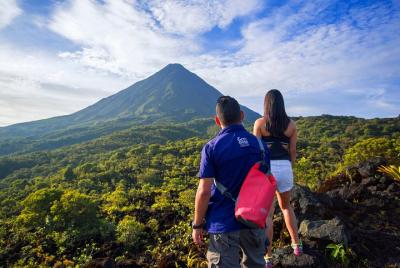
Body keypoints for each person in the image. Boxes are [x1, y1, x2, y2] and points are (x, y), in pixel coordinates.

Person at [192, 96, 269, 268]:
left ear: (217, 120)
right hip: (254, 221)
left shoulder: (212, 147)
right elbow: (267, 187)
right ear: (242, 115)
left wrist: (197, 225)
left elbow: (204, 191)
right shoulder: (260, 146)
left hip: (223, 222)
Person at [253, 89, 302, 267]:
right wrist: (289, 167)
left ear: (266, 104)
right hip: (285, 167)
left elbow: (256, 152)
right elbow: (293, 151)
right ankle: (296, 245)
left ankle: (268, 257)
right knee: (286, 207)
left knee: (267, 215)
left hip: (267, 170)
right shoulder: (291, 125)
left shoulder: (260, 123)